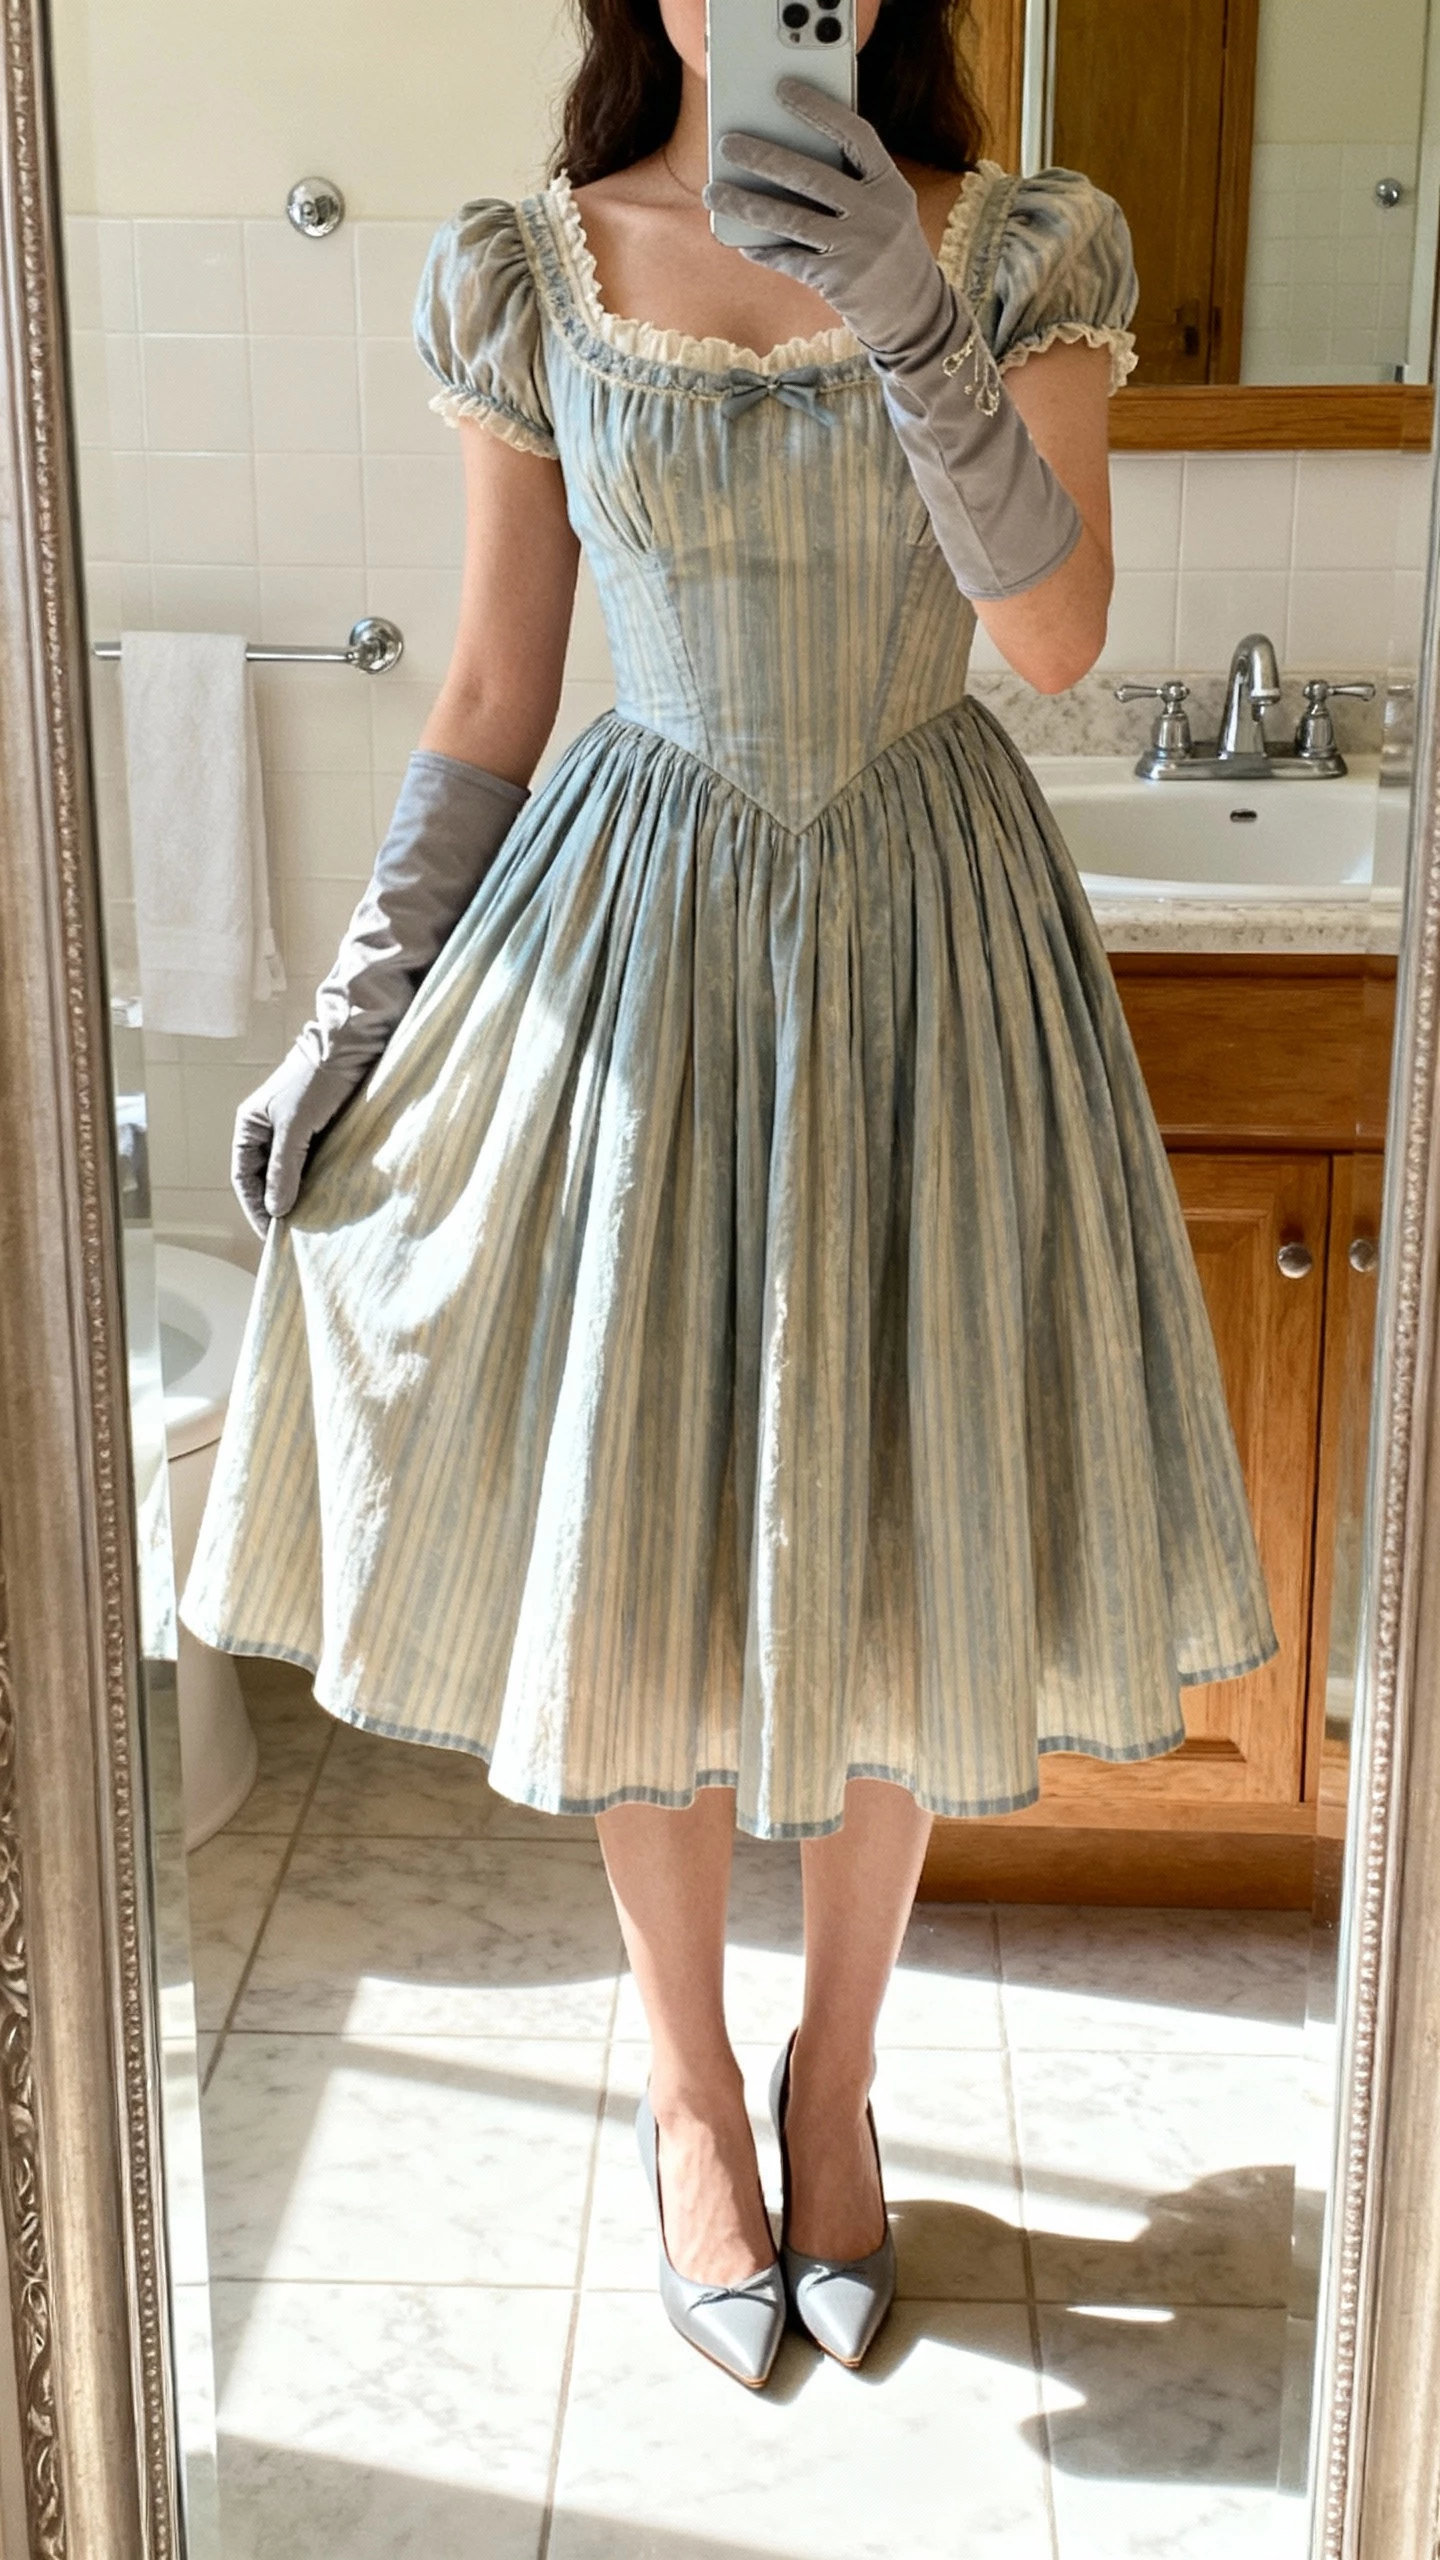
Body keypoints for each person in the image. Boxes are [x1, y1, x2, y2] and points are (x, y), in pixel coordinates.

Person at [180, 0, 1279, 2390]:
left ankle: (837, 2075)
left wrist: (906, 308)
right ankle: (690, 2085)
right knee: (650, 1552)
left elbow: (1054, 639)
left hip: (931, 942)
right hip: (638, 945)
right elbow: (494, 689)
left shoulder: (1025, 248)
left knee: (901, 1543)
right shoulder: (532, 267)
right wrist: (354, 1011)